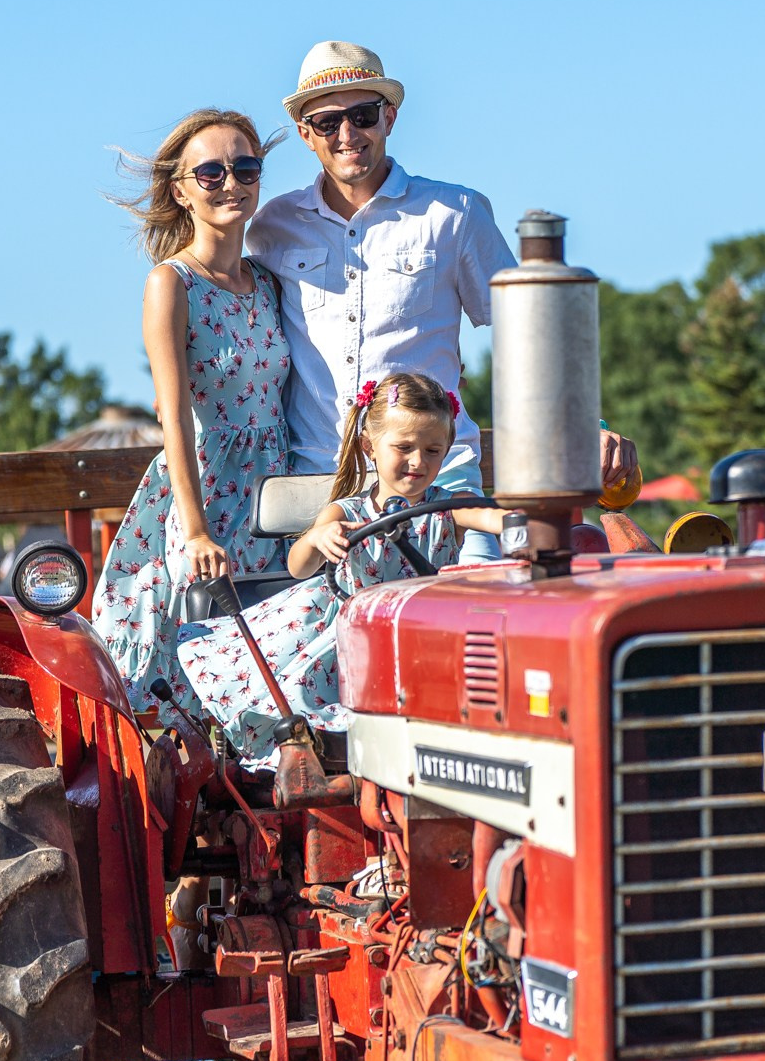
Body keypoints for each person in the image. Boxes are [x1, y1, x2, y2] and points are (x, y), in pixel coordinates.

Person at [245, 41, 637, 554]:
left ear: (389, 117)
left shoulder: (455, 213)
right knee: (336, 628)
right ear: (306, 134)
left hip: (443, 482)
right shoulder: (274, 225)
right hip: (324, 488)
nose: (347, 134)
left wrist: (588, 427)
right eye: (326, 122)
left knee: (474, 612)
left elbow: (531, 332)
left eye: (362, 114)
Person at [178, 372, 503, 765]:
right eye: (404, 447)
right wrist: (317, 538)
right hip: (357, 633)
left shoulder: (453, 506)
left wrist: (527, 520)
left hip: (426, 634)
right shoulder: (346, 512)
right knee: (306, 699)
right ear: (369, 446)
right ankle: (312, 758)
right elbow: (299, 567)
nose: (419, 462)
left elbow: (498, 519)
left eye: (433, 451)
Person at [93, 108, 292, 719]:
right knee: (197, 646)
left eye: (245, 167)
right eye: (210, 172)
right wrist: (196, 527)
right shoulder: (171, 283)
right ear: (181, 191)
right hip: (204, 490)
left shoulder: (267, 282)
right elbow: (173, 416)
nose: (231, 182)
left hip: (273, 487)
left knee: (267, 646)